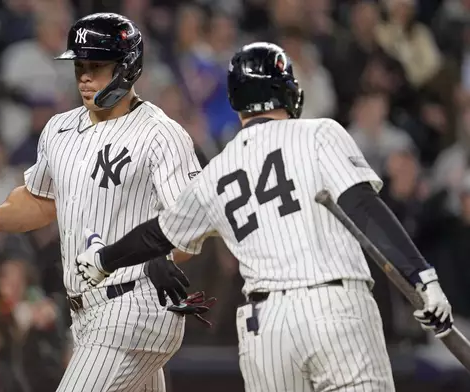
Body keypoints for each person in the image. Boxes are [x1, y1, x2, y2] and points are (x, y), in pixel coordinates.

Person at [74, 43, 454, 392]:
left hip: (265, 327)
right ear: (288, 91)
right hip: (334, 308)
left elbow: (157, 235)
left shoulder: (217, 171)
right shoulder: (318, 132)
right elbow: (363, 208)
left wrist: (103, 259)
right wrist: (422, 277)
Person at [0, 12, 214, 392]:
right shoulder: (59, 129)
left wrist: (165, 256)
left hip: (138, 304)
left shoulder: (161, 134)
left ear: (128, 68)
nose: (84, 76)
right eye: (80, 65)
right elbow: (41, 202)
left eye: (97, 65)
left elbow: (190, 221)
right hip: (87, 313)